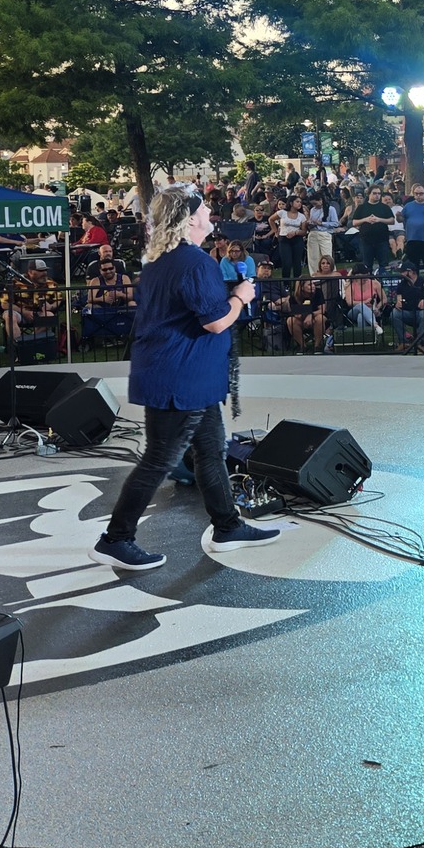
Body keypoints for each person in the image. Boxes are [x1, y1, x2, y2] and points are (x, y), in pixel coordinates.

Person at [91, 185, 280, 570]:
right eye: (205, 208)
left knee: (210, 451)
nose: (211, 212)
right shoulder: (195, 262)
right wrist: (241, 296)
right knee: (159, 459)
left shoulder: (159, 261)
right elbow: (215, 321)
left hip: (186, 377)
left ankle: (227, 526)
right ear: (190, 218)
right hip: (181, 379)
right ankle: (116, 538)